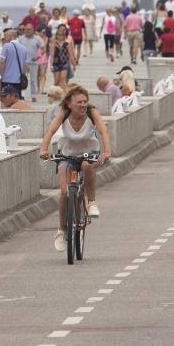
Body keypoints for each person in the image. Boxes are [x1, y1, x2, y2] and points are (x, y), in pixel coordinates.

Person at [40, 84, 111, 251]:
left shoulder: (92, 113)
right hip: (68, 154)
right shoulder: (63, 113)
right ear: (69, 104)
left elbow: (103, 131)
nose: (83, 105)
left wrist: (107, 152)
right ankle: (62, 230)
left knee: (87, 166)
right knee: (64, 193)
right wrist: (43, 149)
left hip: (89, 153)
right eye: (79, 102)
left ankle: (92, 202)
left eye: (85, 101)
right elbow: (50, 131)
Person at [0, 28, 28, 98]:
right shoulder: (24, 48)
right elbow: (25, 65)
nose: (5, 38)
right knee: (16, 100)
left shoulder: (6, 46)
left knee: (6, 100)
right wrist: (23, 75)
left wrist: (0, 74)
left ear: (10, 36)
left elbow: (2, 62)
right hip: (18, 80)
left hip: (6, 79)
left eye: (5, 36)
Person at [18, 23, 44, 102]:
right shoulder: (21, 38)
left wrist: (39, 56)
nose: (27, 31)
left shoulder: (37, 38)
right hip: (23, 62)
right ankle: (21, 95)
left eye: (29, 29)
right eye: (26, 29)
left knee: (33, 79)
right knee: (22, 79)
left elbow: (43, 47)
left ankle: (33, 95)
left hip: (33, 62)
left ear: (33, 30)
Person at [50, 24, 75, 91]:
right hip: (56, 63)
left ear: (64, 36)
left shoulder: (67, 44)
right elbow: (52, 56)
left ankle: (63, 94)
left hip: (65, 63)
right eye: (59, 35)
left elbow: (71, 55)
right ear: (56, 35)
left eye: (62, 35)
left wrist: (74, 64)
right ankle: (52, 93)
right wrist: (51, 65)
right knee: (57, 80)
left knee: (63, 78)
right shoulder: (54, 44)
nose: (61, 36)